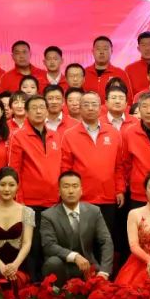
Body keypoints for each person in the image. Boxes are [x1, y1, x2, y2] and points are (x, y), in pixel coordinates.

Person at [61, 90, 126, 266]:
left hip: (108, 196)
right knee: (84, 240)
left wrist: (120, 189)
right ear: (79, 108)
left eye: (94, 104)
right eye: (86, 104)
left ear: (100, 108)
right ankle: (84, 275)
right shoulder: (69, 135)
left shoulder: (113, 133)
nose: (90, 108)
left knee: (106, 239)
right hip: (82, 198)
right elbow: (65, 168)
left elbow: (119, 166)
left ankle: (105, 274)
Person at [8, 94, 62, 278]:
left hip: (54, 200)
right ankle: (34, 283)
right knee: (33, 244)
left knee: (52, 242)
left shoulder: (56, 135)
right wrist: (19, 199)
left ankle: (52, 281)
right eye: (34, 108)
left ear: (47, 111)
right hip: (30, 201)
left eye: (42, 107)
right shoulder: (18, 136)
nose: (39, 111)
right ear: (26, 112)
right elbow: (13, 171)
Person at [40, 171, 114, 285]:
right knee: (53, 262)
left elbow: (106, 241)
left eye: (75, 186)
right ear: (59, 191)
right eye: (66, 186)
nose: (71, 191)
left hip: (88, 266)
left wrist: (104, 271)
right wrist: (74, 256)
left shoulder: (94, 211)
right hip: (62, 267)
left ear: (81, 190)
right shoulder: (48, 215)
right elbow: (49, 246)